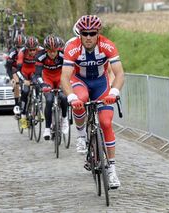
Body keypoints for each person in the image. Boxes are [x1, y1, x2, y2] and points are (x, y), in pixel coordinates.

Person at [60, 15, 125, 189]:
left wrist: (114, 91)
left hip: (100, 83)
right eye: (84, 33)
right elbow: (65, 77)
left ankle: (112, 170)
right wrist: (71, 97)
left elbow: (119, 74)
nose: (88, 37)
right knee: (79, 100)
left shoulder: (107, 45)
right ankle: (81, 135)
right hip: (79, 81)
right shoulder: (72, 48)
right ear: (79, 33)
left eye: (92, 33)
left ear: (98, 33)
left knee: (105, 122)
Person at [34, 35, 69, 140]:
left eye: (55, 51)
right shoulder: (40, 56)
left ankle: (64, 118)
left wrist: (67, 83)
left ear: (58, 49)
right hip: (47, 79)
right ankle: (47, 128)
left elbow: (70, 71)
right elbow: (37, 75)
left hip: (60, 78)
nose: (53, 53)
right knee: (49, 100)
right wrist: (43, 85)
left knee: (63, 97)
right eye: (50, 51)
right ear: (46, 50)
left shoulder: (63, 56)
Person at [15, 36, 43, 129]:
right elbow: (17, 70)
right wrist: (23, 80)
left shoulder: (41, 51)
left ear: (37, 48)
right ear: (27, 48)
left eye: (34, 49)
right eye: (30, 50)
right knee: (26, 91)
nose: (32, 52)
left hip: (34, 72)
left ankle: (38, 108)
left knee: (38, 84)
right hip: (24, 72)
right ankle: (23, 116)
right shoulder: (22, 52)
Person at [5, 34, 26, 115]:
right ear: (15, 46)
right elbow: (8, 66)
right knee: (16, 83)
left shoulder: (27, 51)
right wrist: (11, 78)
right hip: (15, 69)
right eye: (18, 47)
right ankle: (16, 104)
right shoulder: (12, 52)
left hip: (24, 68)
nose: (20, 49)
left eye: (22, 47)